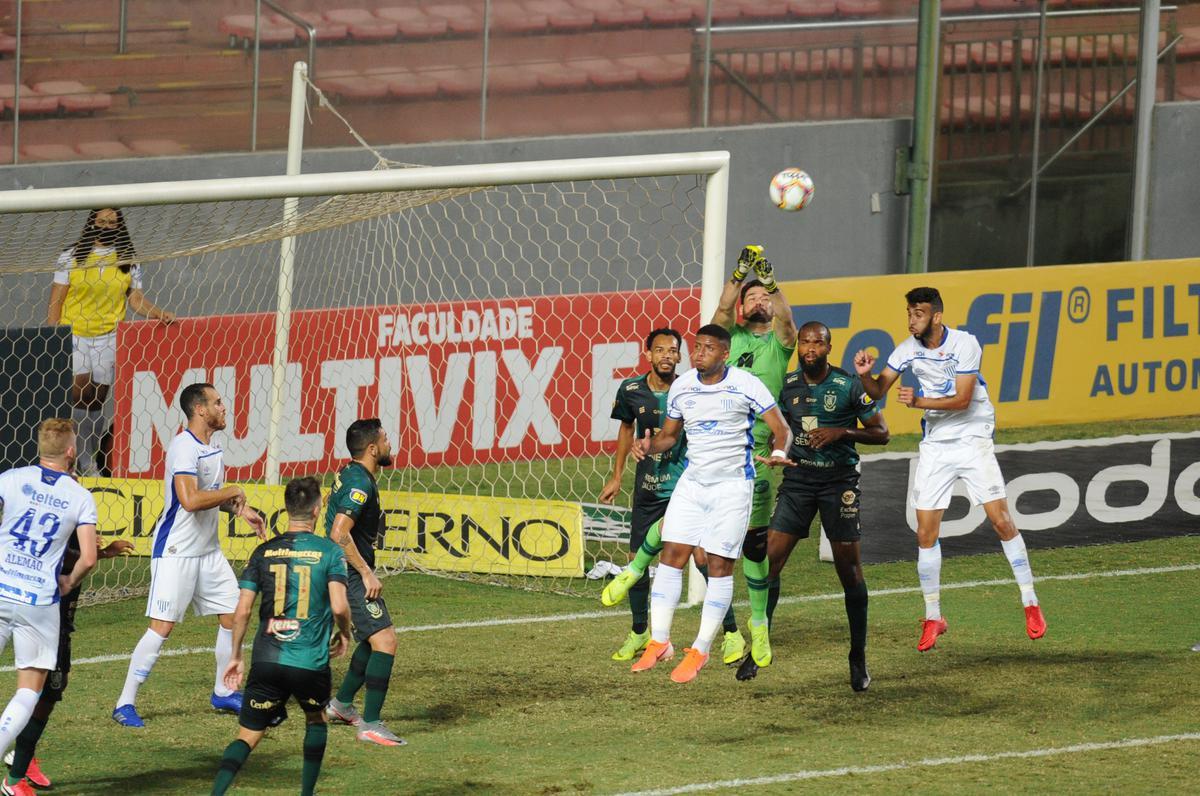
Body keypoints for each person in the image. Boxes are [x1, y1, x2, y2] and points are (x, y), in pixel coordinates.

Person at [854, 287, 1047, 651]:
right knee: (925, 532)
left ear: (936, 316)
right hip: (937, 444)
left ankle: (1030, 603)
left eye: (919, 313)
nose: (912, 319)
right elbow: (879, 389)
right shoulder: (907, 348)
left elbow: (961, 399)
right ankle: (933, 616)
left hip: (972, 435)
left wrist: (919, 401)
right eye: (909, 312)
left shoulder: (965, 343)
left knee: (1001, 520)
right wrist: (866, 375)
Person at [627, 324, 790, 684]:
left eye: (708, 348)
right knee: (672, 554)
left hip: (732, 487)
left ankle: (700, 649)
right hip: (693, 482)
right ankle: (660, 641)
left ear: (724, 354)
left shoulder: (746, 384)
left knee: (717, 564)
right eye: (696, 347)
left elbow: (782, 429)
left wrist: (779, 452)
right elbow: (669, 437)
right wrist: (646, 446)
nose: (698, 353)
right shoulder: (683, 388)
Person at [742, 322, 889, 689]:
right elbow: (783, 431)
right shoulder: (788, 385)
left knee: (849, 572)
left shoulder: (847, 385)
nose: (810, 348)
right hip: (799, 482)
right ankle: (759, 647)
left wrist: (843, 432)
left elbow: (881, 433)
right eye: (805, 342)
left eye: (817, 343)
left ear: (828, 347)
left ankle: (858, 657)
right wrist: (779, 452)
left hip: (839, 484)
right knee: (768, 565)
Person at [113, 383, 266, 727]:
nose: (224, 407)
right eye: (217, 402)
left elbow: (208, 497)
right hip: (177, 552)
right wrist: (234, 490)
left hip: (207, 551)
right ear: (200, 410)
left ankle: (223, 692)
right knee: (162, 627)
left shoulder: (213, 447)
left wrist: (240, 509)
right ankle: (125, 702)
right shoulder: (184, 447)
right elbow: (189, 500)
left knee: (233, 614)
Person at [598, 329, 743, 663]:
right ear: (647, 354)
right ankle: (640, 633)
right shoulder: (631, 390)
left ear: (679, 356)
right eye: (659, 349)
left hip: (685, 489)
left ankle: (732, 633)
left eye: (673, 350)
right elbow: (626, 429)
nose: (666, 355)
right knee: (637, 559)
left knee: (705, 560)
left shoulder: (691, 388)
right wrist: (617, 475)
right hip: (648, 488)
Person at [211, 476, 352, 796]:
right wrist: (344, 633)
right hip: (309, 662)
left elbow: (243, 610)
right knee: (316, 720)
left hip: (266, 660)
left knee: (248, 735)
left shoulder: (264, 552)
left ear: (287, 510)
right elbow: (340, 605)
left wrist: (236, 656)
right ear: (317, 510)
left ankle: (216, 793)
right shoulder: (330, 551)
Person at [709, 245, 798, 671]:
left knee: (753, 547)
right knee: (710, 552)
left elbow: (787, 320)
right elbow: (720, 313)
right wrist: (738, 274)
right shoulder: (731, 341)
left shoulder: (781, 344)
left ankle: (758, 623)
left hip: (759, 460)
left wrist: (771, 281)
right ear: (744, 307)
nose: (760, 300)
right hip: (717, 455)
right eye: (753, 296)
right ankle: (729, 632)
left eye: (765, 296)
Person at [0, 420, 99, 783]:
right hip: (39, 600)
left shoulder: (10, 478)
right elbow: (87, 557)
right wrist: (68, 583)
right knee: (29, 691)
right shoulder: (79, 496)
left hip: (0, 586)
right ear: (71, 451)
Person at [3, 532, 134, 796]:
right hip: (43, 613)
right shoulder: (67, 502)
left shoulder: (71, 505)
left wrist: (96, 550)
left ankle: (25, 759)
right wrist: (101, 553)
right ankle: (15, 778)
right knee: (39, 693)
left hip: (52, 615)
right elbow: (57, 555)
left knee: (48, 693)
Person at [46, 208, 174, 476]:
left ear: (119, 226)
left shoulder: (127, 260)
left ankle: (89, 458)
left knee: (96, 400)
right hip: (75, 334)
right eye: (101, 221)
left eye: (111, 223)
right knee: (78, 393)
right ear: (91, 223)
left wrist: (158, 314)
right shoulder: (71, 256)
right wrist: (54, 335)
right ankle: (78, 461)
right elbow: (56, 299)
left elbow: (135, 299)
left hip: (109, 336)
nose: (105, 226)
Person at [322, 419, 405, 746]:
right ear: (372, 449)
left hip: (340, 570)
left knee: (371, 640)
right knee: (385, 641)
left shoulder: (350, 473)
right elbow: (339, 532)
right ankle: (370, 724)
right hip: (350, 573)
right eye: (385, 439)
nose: (389, 444)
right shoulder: (361, 484)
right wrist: (366, 572)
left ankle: (341, 705)